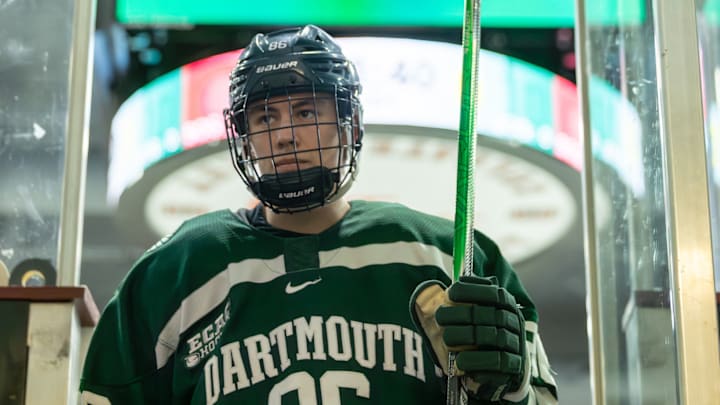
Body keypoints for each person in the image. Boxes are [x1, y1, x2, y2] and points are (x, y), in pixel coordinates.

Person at [79, 25, 558, 404]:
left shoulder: (443, 255)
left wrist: (509, 389)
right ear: (242, 137)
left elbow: (538, 399)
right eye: (266, 119)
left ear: (349, 124)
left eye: (306, 113)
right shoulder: (174, 271)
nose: (286, 135)